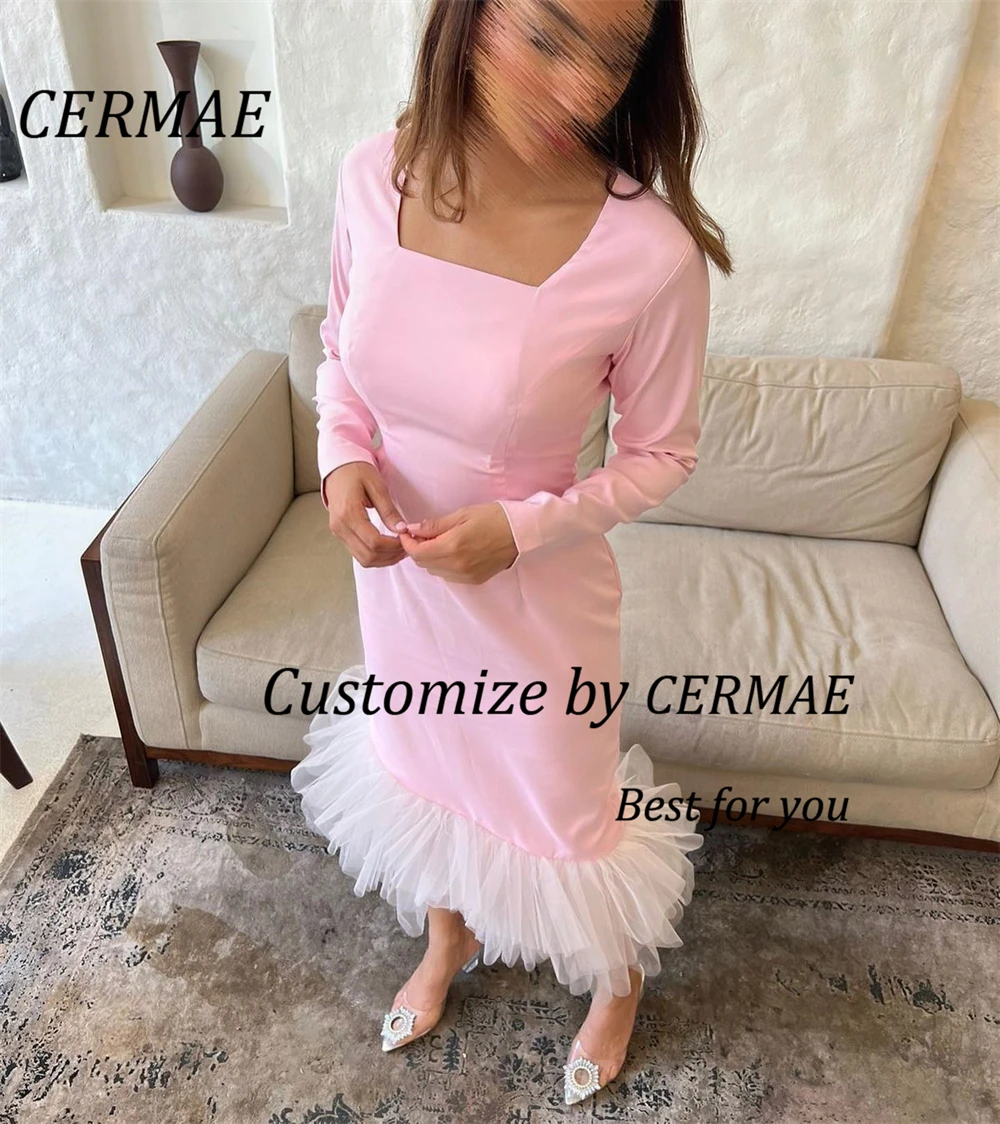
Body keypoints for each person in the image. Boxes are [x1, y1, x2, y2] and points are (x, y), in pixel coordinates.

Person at [290, 0, 732, 1105]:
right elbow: (340, 351)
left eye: (614, 58)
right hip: (402, 589)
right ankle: (450, 937)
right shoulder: (372, 175)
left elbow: (663, 454)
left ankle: (616, 979)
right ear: (470, 16)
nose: (582, 89)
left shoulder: (649, 254)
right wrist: (341, 460)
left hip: (538, 605)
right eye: (547, 37)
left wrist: (522, 528)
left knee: (568, 814)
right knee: (426, 773)